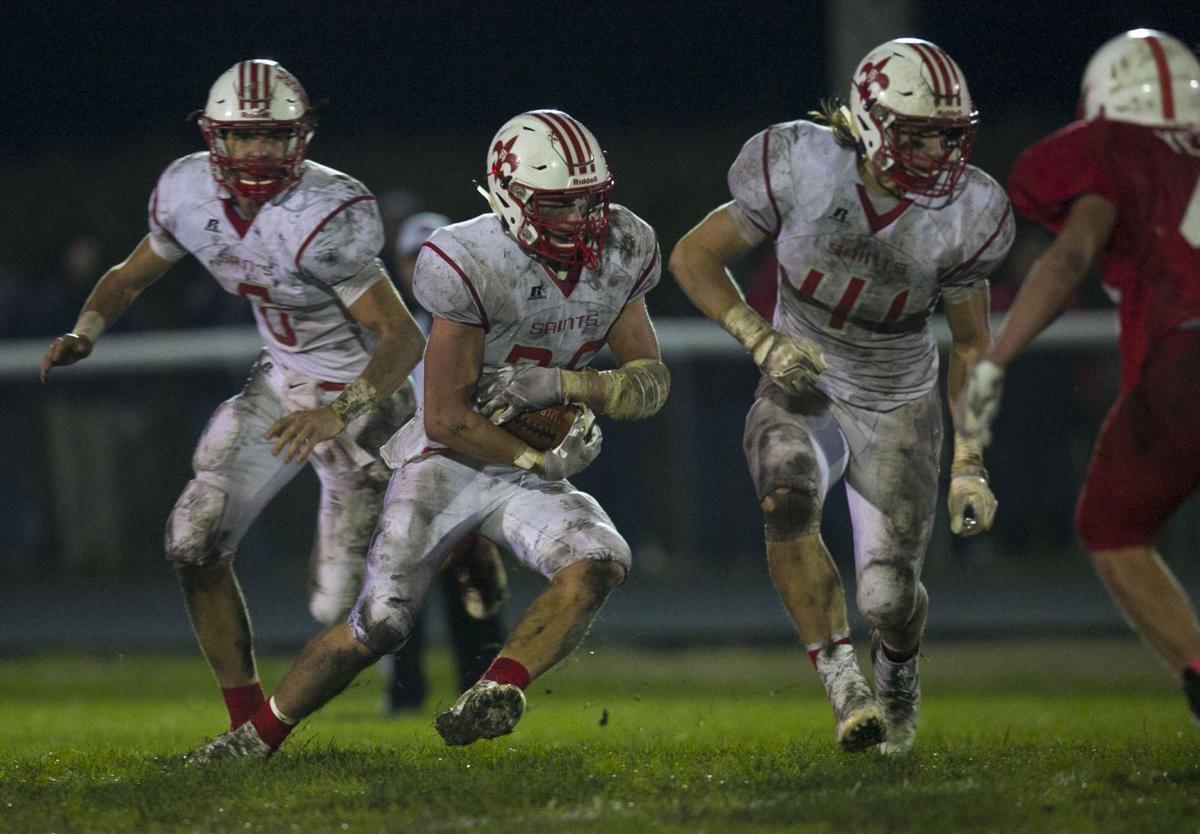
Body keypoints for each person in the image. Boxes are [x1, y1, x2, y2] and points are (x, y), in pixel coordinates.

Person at [187, 108, 669, 761]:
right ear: (510, 197)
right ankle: (255, 738)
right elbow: (446, 418)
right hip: (447, 461)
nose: (582, 220)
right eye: (560, 205)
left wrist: (569, 388)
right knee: (379, 625)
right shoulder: (467, 258)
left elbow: (651, 379)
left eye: (590, 201)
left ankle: (496, 690)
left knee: (600, 563)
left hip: (527, 460)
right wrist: (539, 459)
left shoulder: (625, 245)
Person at [39, 59, 425, 732]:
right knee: (191, 540)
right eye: (243, 137)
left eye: (273, 137)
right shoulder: (188, 193)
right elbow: (129, 276)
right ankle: (247, 723)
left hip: (366, 408)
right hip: (281, 386)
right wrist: (87, 328)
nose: (257, 152)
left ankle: (433, 633)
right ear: (214, 138)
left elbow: (401, 339)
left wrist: (337, 412)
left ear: (299, 139)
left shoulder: (326, 211)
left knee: (341, 604)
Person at [670, 38, 1013, 754]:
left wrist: (970, 460)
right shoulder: (801, 164)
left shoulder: (969, 210)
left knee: (888, 600)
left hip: (899, 399)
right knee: (785, 493)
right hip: (807, 377)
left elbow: (973, 343)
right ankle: (844, 689)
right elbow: (693, 255)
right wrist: (761, 341)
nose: (936, 152)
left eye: (948, 135)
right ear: (866, 120)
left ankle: (898, 667)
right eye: (917, 133)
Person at [963, 30, 1200, 720]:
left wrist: (997, 357)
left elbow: (1070, 257)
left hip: (1186, 355)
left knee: (1111, 527)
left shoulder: (1113, 148)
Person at [380, 211, 508, 713]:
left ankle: (481, 696)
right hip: (406, 481)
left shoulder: (484, 324)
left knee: (477, 594)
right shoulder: (391, 331)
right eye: (413, 258)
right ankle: (404, 697)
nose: (422, 268)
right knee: (398, 594)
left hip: (469, 476)